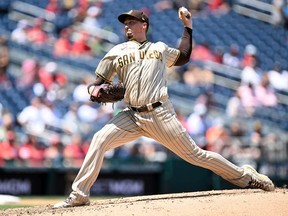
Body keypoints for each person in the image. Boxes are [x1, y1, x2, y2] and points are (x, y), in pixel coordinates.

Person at [53, 8, 274, 209]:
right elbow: (97, 82)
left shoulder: (159, 48)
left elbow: (183, 57)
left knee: (197, 156)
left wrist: (187, 27)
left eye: (131, 22)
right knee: (99, 139)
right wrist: (94, 90)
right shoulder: (116, 51)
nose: (127, 26)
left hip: (160, 114)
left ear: (144, 25)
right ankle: (80, 194)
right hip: (131, 115)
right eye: (125, 23)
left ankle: (245, 177)